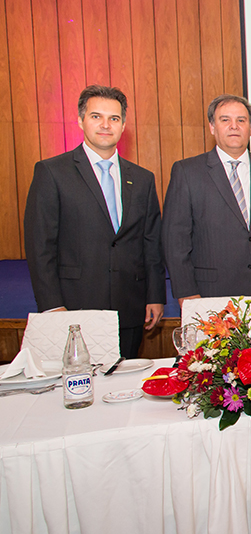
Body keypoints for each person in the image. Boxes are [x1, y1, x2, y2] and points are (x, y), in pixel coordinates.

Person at [24, 85, 165, 358]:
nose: (105, 125)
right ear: (80, 120)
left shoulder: (143, 178)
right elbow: (40, 244)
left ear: (123, 125)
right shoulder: (52, 172)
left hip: (130, 308)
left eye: (113, 118)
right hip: (73, 307)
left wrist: (155, 295)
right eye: (96, 116)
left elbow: (151, 243)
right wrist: (52, 305)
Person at [162, 94, 251, 310]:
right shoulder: (187, 172)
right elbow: (175, 240)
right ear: (212, 127)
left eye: (241, 120)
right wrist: (186, 291)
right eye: (225, 120)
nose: (234, 126)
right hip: (210, 293)